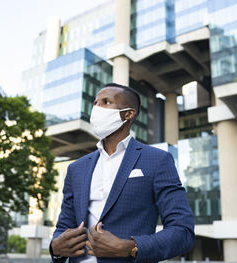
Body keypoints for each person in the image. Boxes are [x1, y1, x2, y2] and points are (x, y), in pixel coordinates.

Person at [49, 83, 195, 263]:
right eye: (95, 103)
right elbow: (64, 227)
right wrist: (54, 248)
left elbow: (183, 231)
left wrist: (129, 247)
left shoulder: (157, 160)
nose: (97, 108)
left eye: (106, 102)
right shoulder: (76, 168)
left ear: (128, 114)